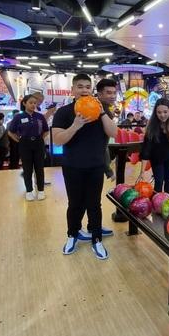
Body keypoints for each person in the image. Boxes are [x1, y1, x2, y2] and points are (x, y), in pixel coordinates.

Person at [51, 74, 118, 260]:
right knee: (75, 204)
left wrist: (102, 111)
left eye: (88, 87)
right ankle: (72, 234)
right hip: (72, 166)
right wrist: (75, 125)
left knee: (94, 204)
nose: (84, 90)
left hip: (95, 166)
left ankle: (96, 239)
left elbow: (114, 133)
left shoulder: (102, 111)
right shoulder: (64, 112)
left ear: (92, 90)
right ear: (72, 90)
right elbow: (57, 139)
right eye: (80, 86)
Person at [7, 95, 49, 201]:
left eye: (35, 103)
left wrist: (40, 139)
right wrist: (19, 140)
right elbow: (10, 131)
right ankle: (29, 191)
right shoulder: (18, 117)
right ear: (24, 103)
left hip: (38, 144)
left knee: (39, 168)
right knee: (27, 169)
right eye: (31, 102)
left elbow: (46, 130)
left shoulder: (40, 117)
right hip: (25, 144)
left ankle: (41, 191)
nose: (33, 105)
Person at [141, 98, 169, 195]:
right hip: (156, 158)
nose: (162, 115)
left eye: (165, 112)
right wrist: (142, 171)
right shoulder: (152, 126)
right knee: (159, 182)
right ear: (155, 113)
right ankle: (156, 206)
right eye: (159, 112)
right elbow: (146, 149)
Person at [96, 78, 118, 180]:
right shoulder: (101, 111)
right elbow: (101, 145)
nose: (113, 96)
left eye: (114, 93)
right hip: (94, 162)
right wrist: (108, 170)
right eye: (109, 93)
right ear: (99, 94)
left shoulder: (103, 109)